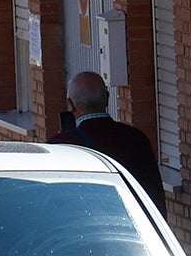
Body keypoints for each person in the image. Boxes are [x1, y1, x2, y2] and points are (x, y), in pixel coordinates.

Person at [48, 70, 168, 209]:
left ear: (71, 104)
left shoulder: (60, 146)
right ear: (107, 98)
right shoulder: (136, 138)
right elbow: (155, 194)